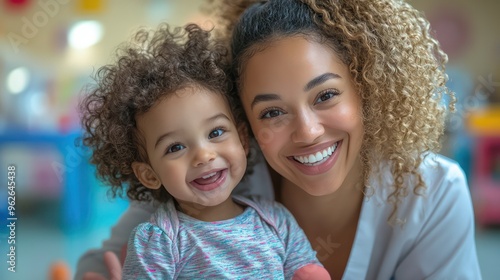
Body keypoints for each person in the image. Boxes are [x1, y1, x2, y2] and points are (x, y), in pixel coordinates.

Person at [77, 0, 482, 279]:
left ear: (366, 88)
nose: (307, 131)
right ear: (244, 126)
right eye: (271, 112)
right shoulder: (212, 177)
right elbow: (99, 262)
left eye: (325, 96)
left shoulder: (434, 192)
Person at [78, 22, 330, 279]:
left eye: (216, 133)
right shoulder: (159, 242)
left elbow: (304, 266)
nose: (203, 155)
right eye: (175, 147)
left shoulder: (275, 219)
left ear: (243, 140)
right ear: (149, 174)